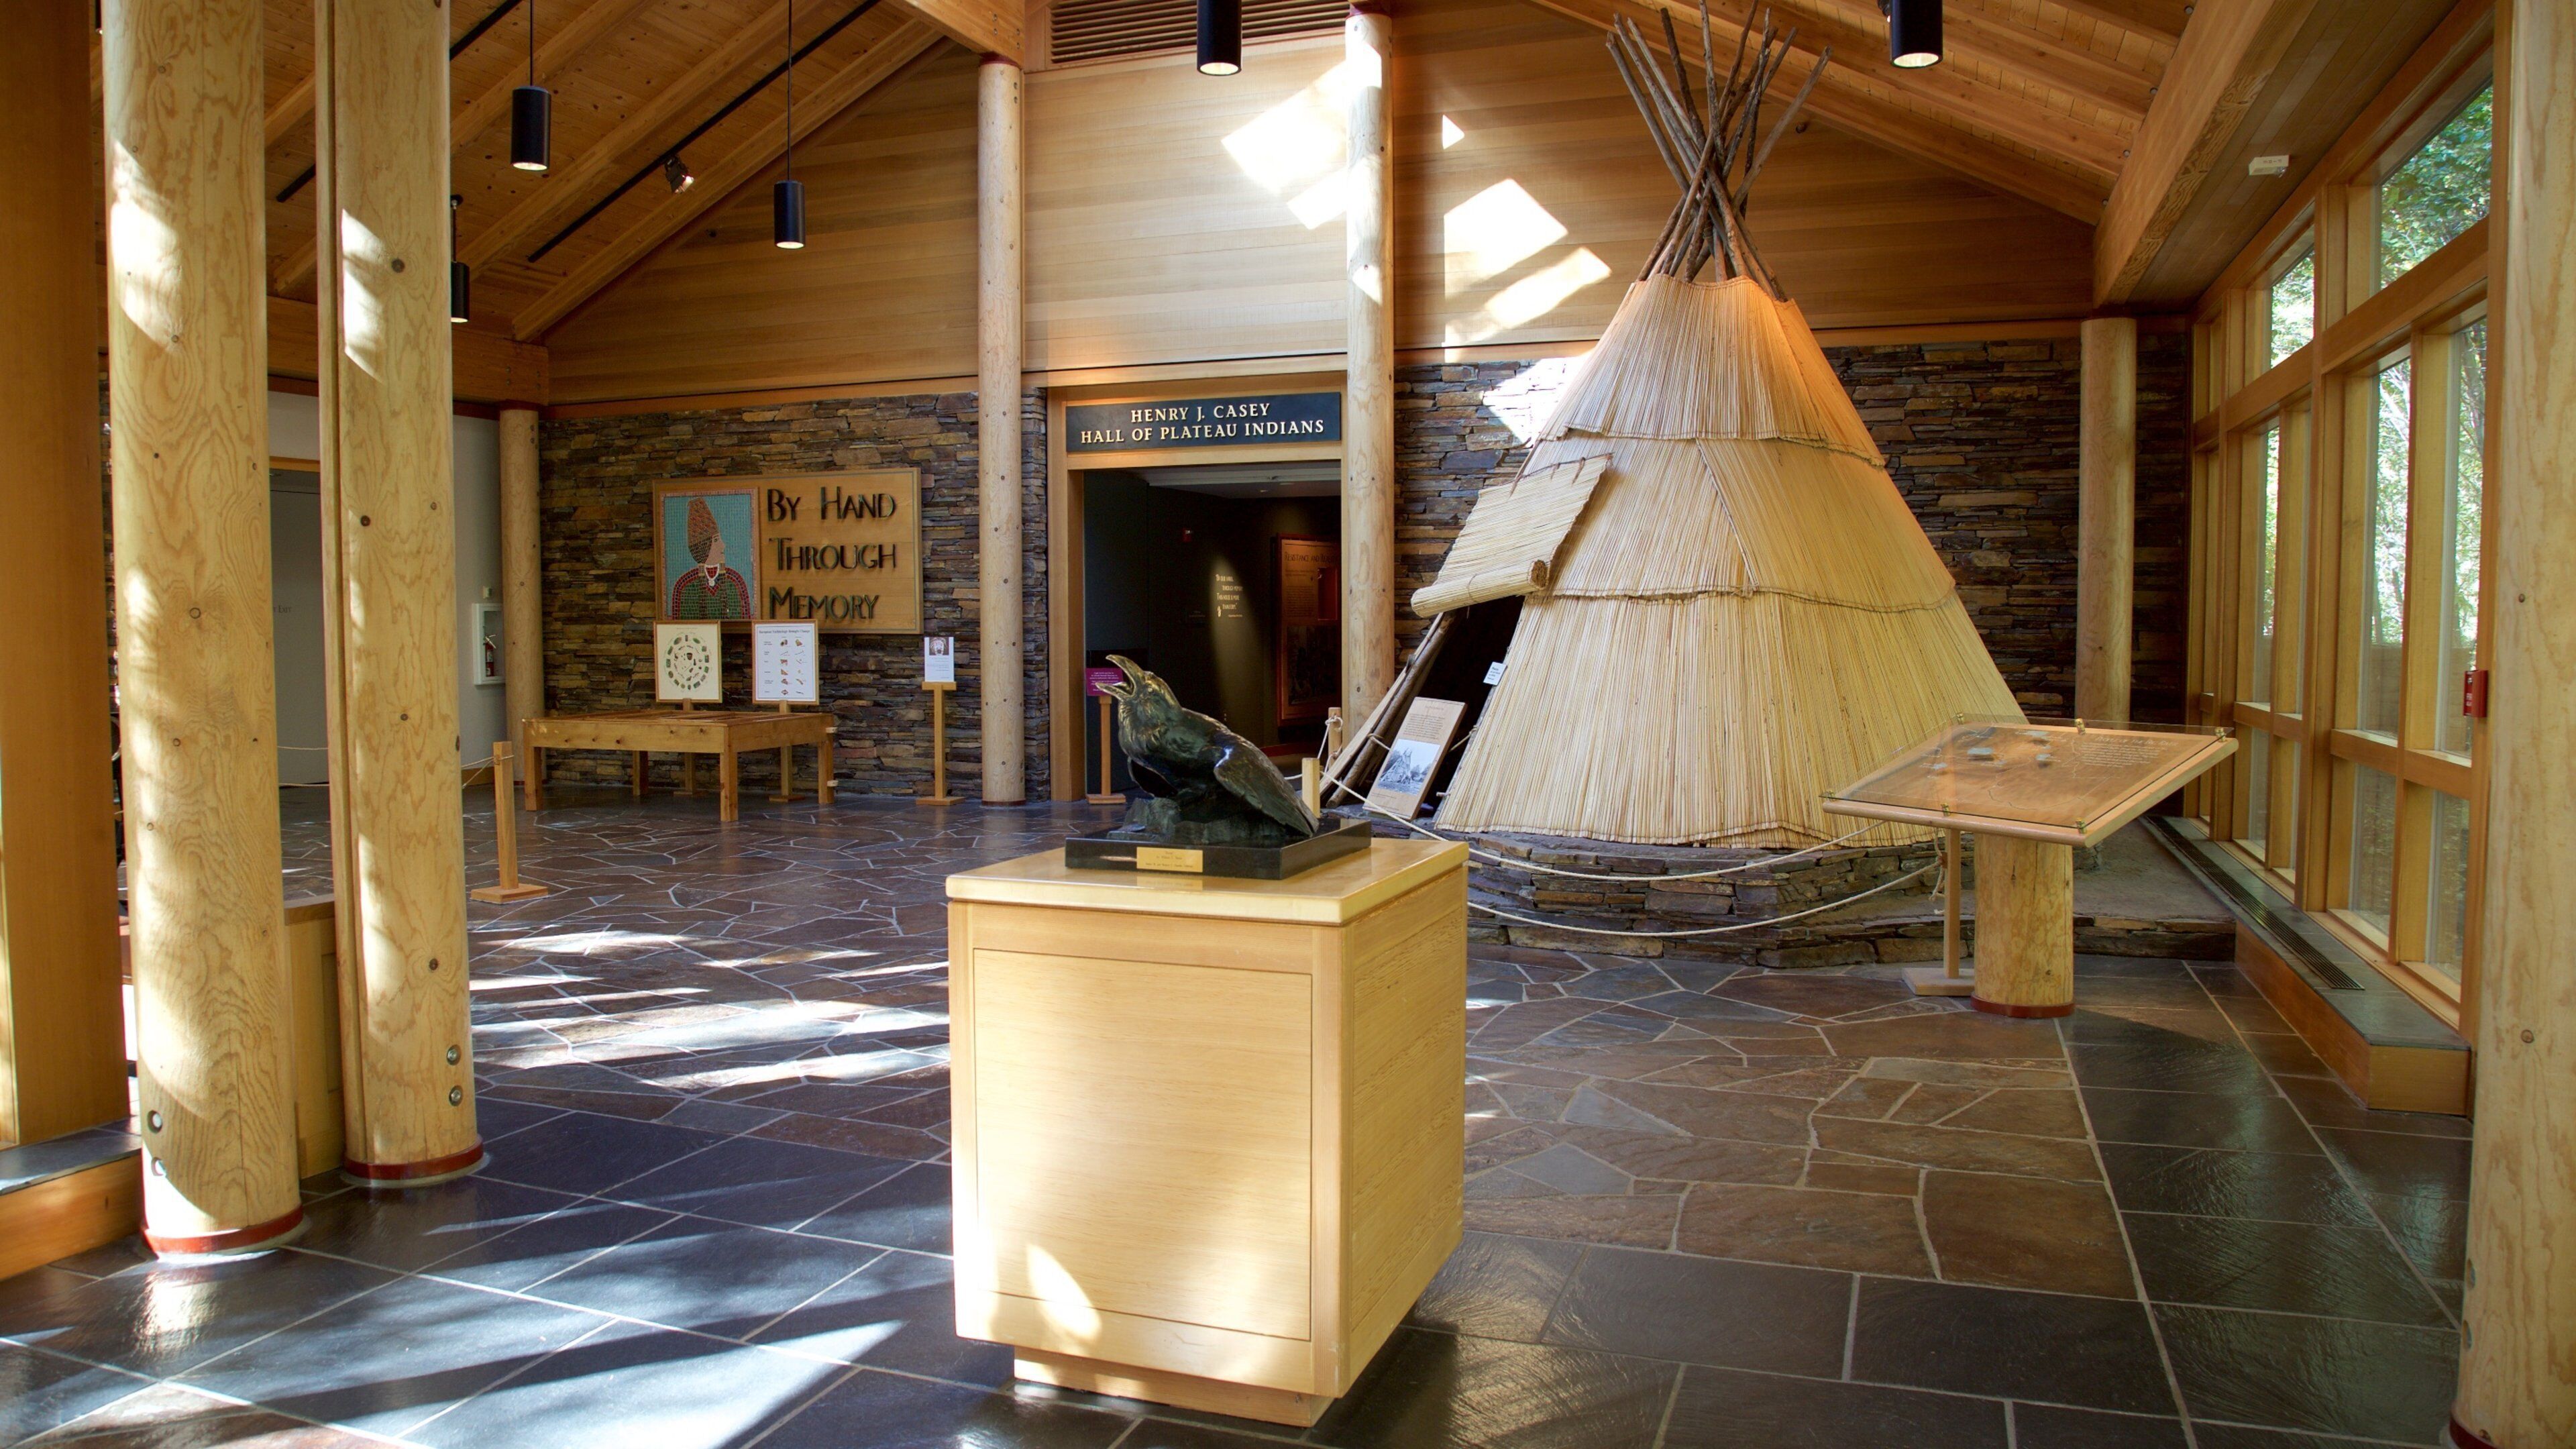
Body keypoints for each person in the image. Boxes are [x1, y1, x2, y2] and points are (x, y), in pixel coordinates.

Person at [669, 496, 751, 619]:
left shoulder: (735, 582)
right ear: (704, 546)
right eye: (716, 540)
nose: (723, 546)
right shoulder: (685, 586)